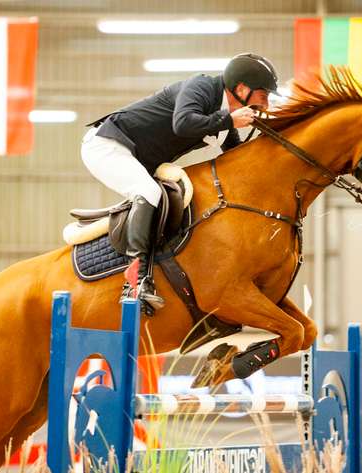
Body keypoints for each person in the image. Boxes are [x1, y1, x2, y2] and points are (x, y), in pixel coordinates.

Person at [81, 53, 280, 314]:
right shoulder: (202, 87)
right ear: (242, 89)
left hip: (134, 156)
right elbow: (182, 122)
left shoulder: (224, 121)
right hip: (107, 144)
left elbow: (238, 158)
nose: (266, 102)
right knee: (149, 191)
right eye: (263, 95)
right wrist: (230, 120)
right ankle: (135, 283)